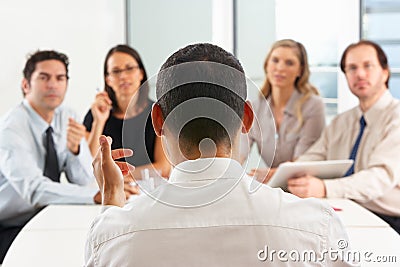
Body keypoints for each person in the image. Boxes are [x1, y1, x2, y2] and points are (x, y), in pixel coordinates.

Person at [85, 43, 355, 266]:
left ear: (157, 121)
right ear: (247, 118)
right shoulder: (316, 226)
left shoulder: (114, 236)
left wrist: (111, 199)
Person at [0, 50, 138, 263]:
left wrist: (76, 152)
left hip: (46, 216)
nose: (53, 85)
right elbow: (34, 190)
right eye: (44, 78)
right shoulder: (12, 128)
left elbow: (81, 178)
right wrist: (94, 194)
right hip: (9, 225)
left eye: (60, 78)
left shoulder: (67, 116)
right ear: (26, 85)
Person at [287, 40, 400, 234]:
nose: (360, 74)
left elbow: (380, 177)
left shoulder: (396, 117)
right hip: (345, 210)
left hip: (389, 220)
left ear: (385, 72)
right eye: (352, 68)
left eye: (367, 66)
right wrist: (287, 173)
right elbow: (316, 156)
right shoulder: (342, 122)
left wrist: (324, 188)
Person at [240, 39, 325, 182]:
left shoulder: (313, 105)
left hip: (304, 184)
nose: (280, 68)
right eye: (275, 60)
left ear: (300, 70)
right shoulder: (255, 108)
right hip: (273, 187)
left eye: (289, 63)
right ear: (267, 65)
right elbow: (239, 153)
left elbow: (302, 163)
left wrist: (271, 174)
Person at [83, 44, 170, 178]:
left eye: (129, 68)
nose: (123, 76)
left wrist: (119, 178)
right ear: (108, 79)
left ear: (141, 73)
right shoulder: (96, 115)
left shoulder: (158, 112)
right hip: (108, 192)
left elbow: (163, 168)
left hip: (148, 191)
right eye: (116, 71)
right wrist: (99, 122)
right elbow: (87, 167)